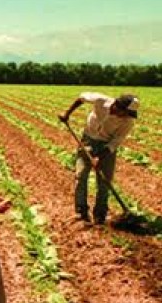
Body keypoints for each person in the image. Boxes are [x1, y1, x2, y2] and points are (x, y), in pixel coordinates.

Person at [58, 92, 139, 224]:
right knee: (80, 175)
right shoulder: (101, 101)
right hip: (88, 140)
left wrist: (100, 157)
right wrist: (67, 114)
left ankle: (100, 215)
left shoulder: (128, 122)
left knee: (104, 181)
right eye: (125, 112)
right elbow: (81, 98)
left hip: (106, 147)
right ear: (118, 106)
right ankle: (81, 213)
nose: (126, 116)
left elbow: (116, 141)